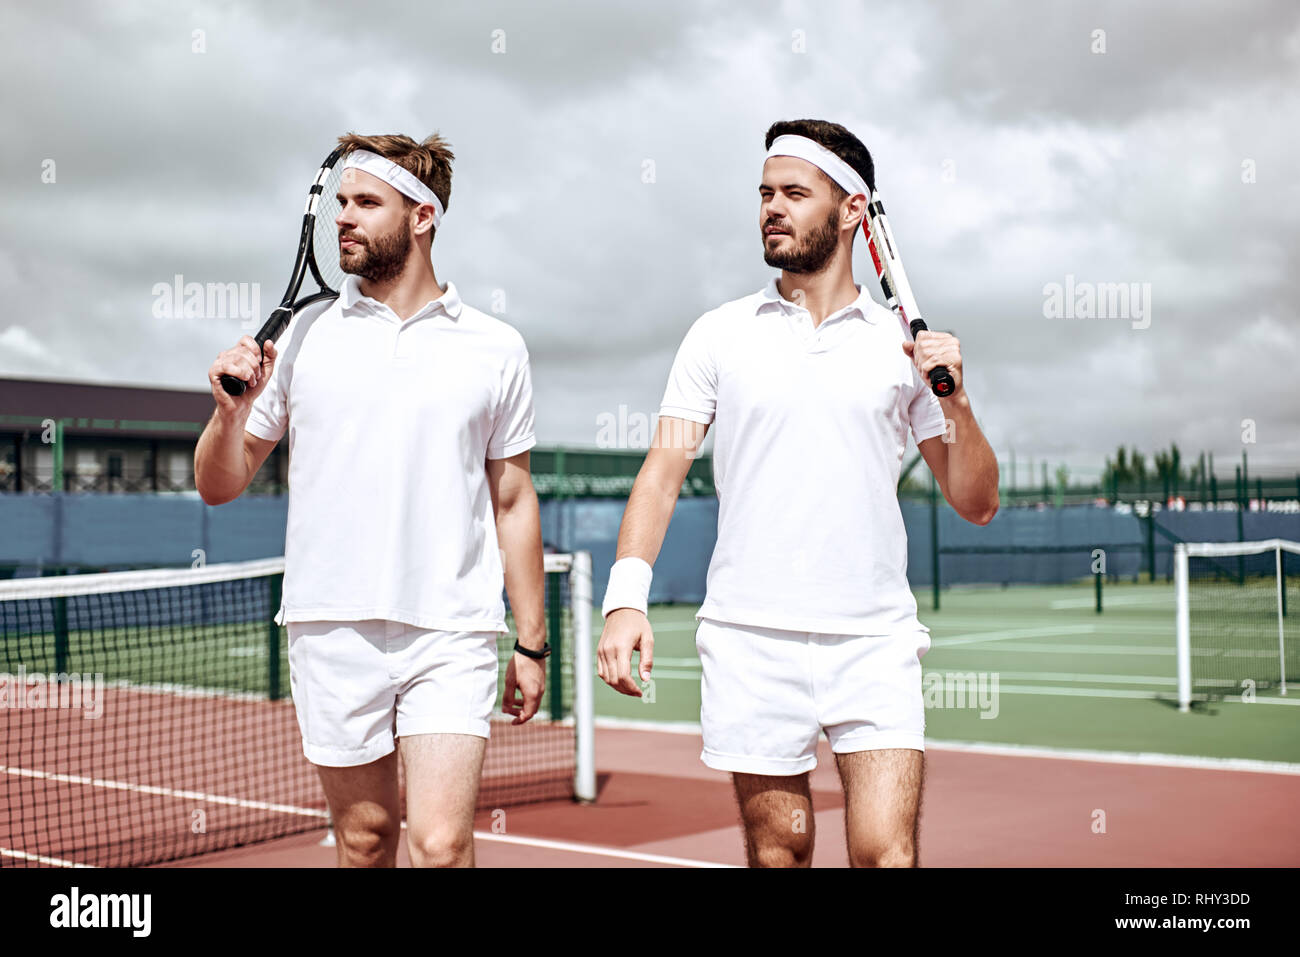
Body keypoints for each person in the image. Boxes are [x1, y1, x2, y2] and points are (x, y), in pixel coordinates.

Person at [596, 119, 999, 868]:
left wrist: (961, 404)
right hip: (751, 638)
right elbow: (662, 469)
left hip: (873, 640)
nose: (771, 207)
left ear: (852, 211)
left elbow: (976, 500)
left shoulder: (900, 349)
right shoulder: (718, 334)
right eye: (764, 193)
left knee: (885, 851)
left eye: (793, 192)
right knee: (780, 850)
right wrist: (626, 597)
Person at [195, 132, 548, 867]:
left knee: (443, 844)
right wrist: (230, 414)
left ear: (423, 216)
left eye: (365, 202)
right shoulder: (300, 339)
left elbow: (512, 496)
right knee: (364, 840)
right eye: (339, 204)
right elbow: (218, 484)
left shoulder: (497, 347)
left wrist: (532, 640)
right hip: (330, 627)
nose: (343, 219)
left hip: (451, 629)